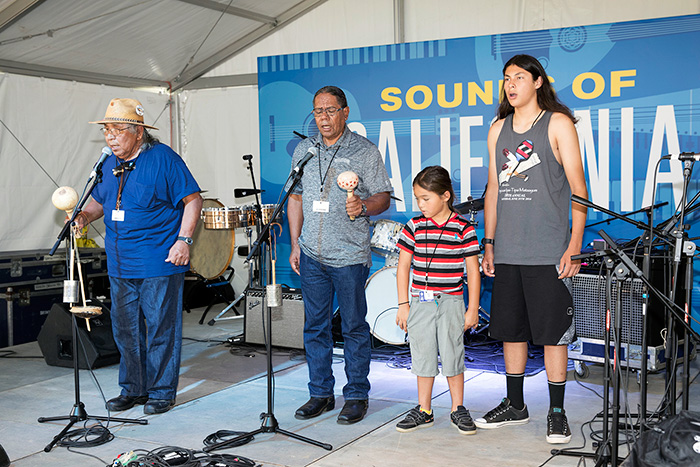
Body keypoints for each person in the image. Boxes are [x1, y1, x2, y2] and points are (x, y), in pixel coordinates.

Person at [477, 54, 588, 444]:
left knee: (554, 333)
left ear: (538, 82)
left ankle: (557, 413)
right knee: (512, 330)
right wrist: (488, 243)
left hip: (549, 249)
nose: (511, 85)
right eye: (507, 78)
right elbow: (493, 190)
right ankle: (515, 405)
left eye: (519, 77)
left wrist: (574, 244)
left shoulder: (557, 124)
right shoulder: (497, 130)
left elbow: (579, 189)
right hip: (507, 248)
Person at [74, 98, 203, 415]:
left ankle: (161, 391)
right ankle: (133, 389)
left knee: (160, 329)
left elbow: (193, 200)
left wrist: (183, 240)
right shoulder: (107, 164)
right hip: (121, 264)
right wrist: (82, 218)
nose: (111, 137)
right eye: (107, 130)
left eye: (118, 130)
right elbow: (100, 203)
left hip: (159, 261)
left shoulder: (163, 159)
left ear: (138, 131)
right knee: (125, 330)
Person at [288, 85, 392, 424]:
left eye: (330, 110)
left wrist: (363, 205)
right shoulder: (304, 149)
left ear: (345, 113)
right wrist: (294, 243)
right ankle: (320, 393)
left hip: (348, 255)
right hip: (311, 253)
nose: (323, 118)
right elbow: (296, 198)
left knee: (353, 328)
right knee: (314, 327)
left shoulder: (364, 150)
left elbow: (383, 197)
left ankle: (357, 395)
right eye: (318, 112)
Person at [394, 166, 481, 435]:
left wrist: (472, 308)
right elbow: (403, 267)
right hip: (419, 301)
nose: (421, 205)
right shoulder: (414, 227)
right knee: (422, 354)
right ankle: (424, 409)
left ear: (445, 195)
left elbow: (473, 272)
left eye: (426, 198)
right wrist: (403, 304)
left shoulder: (463, 228)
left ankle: (458, 408)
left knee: (453, 353)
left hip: (452, 302)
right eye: (417, 199)